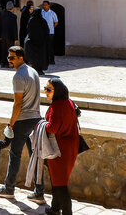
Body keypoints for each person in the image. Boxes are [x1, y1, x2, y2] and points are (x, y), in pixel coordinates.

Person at [0, 46, 46, 203]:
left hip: (22, 121)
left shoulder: (18, 76)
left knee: (15, 155)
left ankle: (9, 189)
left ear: (21, 58)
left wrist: (11, 124)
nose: (9, 60)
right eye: (8, 57)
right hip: (36, 119)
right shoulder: (34, 72)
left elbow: (18, 104)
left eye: (12, 58)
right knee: (34, 157)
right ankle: (39, 192)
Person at [43, 78, 80, 215]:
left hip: (59, 150)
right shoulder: (68, 102)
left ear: (56, 91)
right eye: (45, 88)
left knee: (61, 183)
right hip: (69, 147)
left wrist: (41, 125)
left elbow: (52, 128)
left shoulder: (57, 107)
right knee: (57, 180)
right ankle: (55, 207)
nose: (45, 92)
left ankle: (67, 212)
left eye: (48, 89)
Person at [23, 7, 49, 75]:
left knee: (33, 56)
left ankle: (34, 69)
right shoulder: (43, 20)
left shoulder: (31, 20)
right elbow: (47, 31)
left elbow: (29, 30)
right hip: (41, 43)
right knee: (41, 56)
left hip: (32, 42)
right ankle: (40, 70)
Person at [0, 2, 18, 67]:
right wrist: (16, 38)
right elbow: (15, 27)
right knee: (11, 51)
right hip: (10, 36)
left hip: (3, 36)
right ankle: (10, 63)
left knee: (3, 50)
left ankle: (3, 63)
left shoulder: (2, 15)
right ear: (12, 8)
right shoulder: (13, 16)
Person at [40, 0, 59, 66]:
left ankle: (51, 60)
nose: (44, 6)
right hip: (43, 32)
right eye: (43, 5)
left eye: (46, 5)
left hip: (50, 32)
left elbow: (56, 22)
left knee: (50, 46)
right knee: (43, 46)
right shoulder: (41, 13)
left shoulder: (52, 13)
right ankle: (44, 59)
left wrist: (52, 27)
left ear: (48, 5)